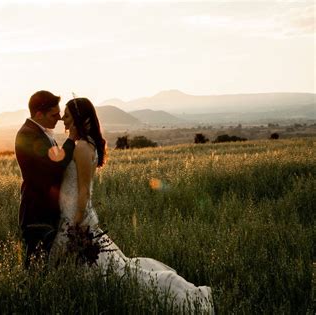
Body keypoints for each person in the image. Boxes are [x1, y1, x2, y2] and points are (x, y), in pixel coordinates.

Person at [51, 97, 214, 313]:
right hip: (74, 214)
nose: (63, 118)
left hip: (76, 217)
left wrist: (77, 225)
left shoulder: (81, 148)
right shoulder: (88, 145)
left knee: (111, 274)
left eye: (68, 115)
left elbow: (83, 192)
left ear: (83, 120)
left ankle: (165, 293)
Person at [15, 90, 77, 267]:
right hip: (36, 212)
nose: (59, 118)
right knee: (36, 268)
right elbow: (55, 166)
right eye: (54, 114)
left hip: (47, 211)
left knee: (48, 265)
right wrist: (71, 138)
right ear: (39, 114)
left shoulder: (42, 132)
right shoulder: (28, 135)